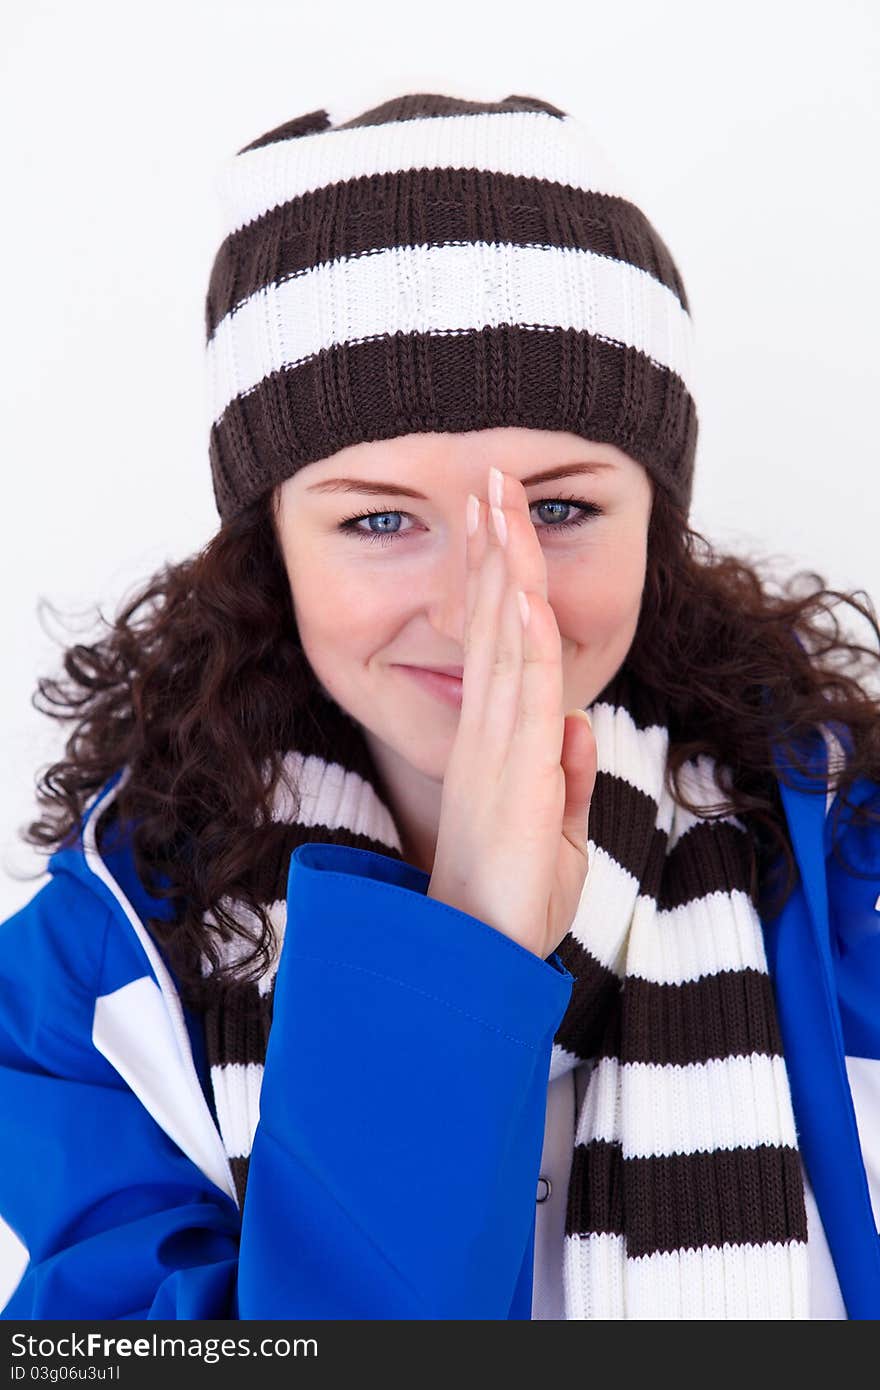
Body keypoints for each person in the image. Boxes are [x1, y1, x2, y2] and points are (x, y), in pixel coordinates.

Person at [1, 91, 879, 1321]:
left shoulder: (848, 882)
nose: (482, 610)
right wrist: (455, 953)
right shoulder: (96, 990)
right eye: (378, 520)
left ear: (656, 528)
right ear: (272, 554)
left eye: (560, 510)